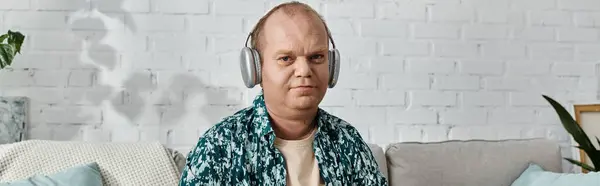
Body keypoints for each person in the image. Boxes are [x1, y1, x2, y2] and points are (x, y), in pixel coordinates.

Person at [179, 1, 388, 185]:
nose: (304, 71)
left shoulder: (347, 141)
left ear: (332, 66)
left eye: (316, 57)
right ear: (255, 69)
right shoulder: (220, 146)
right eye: (286, 58)